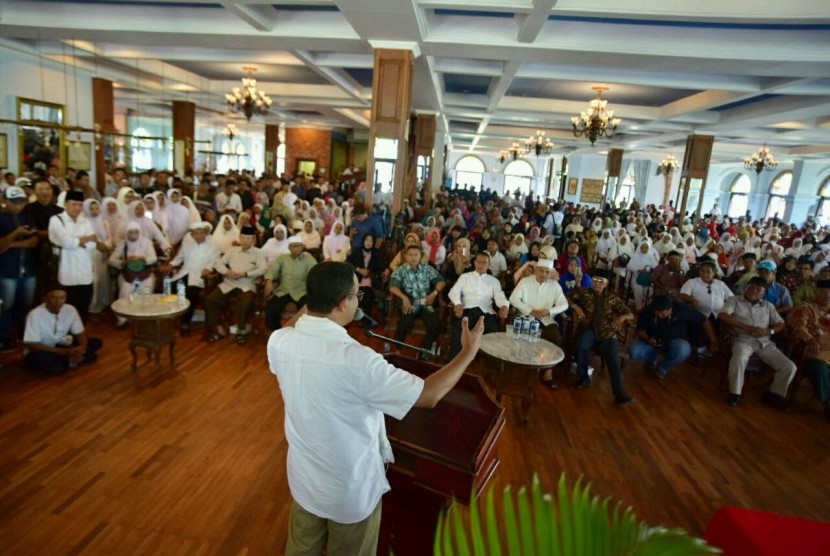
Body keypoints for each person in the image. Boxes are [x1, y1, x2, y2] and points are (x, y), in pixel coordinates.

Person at [267, 261, 484, 556]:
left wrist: (317, 299)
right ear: (343, 303)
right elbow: (429, 394)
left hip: (305, 482)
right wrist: (467, 353)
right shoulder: (358, 361)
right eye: (356, 296)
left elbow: (293, 326)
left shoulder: (279, 342)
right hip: (349, 492)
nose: (359, 302)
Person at [717, 277, 796, 409]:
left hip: (764, 342)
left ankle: (774, 395)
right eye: (751, 287)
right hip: (742, 339)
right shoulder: (734, 300)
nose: (754, 291)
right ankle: (735, 393)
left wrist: (769, 331)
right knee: (740, 356)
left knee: (789, 366)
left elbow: (780, 323)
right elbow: (723, 315)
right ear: (746, 288)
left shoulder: (768, 305)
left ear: (763, 293)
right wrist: (745, 327)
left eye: (758, 289)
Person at [567, 275, 636, 406]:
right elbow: (565, 296)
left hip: (607, 332)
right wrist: (576, 306)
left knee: (612, 357)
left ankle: (619, 394)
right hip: (588, 329)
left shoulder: (612, 298)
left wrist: (622, 317)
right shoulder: (584, 292)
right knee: (582, 346)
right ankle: (583, 378)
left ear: (606, 284)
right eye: (595, 280)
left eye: (601, 281)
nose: (597, 283)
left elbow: (630, 313)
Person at [509, 258, 569, 387]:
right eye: (541, 271)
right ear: (536, 270)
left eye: (547, 272)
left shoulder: (554, 285)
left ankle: (547, 372)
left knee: (555, 338)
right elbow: (513, 299)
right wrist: (530, 310)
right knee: (525, 339)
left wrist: (549, 311)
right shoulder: (525, 281)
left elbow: (564, 304)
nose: (544, 275)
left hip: (546, 319)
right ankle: (525, 369)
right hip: (526, 318)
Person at [204, 226, 268, 344]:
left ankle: (240, 331)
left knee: (244, 303)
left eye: (248, 238)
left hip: (247, 284)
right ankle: (218, 328)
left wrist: (246, 273)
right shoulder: (232, 250)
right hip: (229, 283)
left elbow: (263, 269)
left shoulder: (259, 253)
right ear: (239, 238)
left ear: (253, 239)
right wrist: (227, 272)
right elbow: (218, 263)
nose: (244, 241)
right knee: (210, 300)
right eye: (242, 238)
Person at [628, 295, 717, 379]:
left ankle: (663, 368)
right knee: (634, 351)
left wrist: (713, 341)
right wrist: (647, 339)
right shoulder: (647, 310)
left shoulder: (682, 309)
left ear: (670, 309)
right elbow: (641, 330)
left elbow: (704, 321)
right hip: (652, 341)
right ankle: (652, 358)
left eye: (663, 314)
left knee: (684, 350)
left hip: (675, 340)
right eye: (657, 314)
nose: (660, 316)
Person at [23, 284, 102, 374]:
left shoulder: (70, 309)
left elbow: (80, 334)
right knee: (44, 361)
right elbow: (32, 345)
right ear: (44, 299)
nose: (58, 301)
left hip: (62, 345)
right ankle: (72, 360)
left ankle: (70, 360)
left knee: (96, 342)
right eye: (53, 297)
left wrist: (82, 348)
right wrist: (64, 352)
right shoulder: (34, 315)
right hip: (43, 350)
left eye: (62, 298)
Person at [447, 251, 509, 359]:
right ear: (474, 263)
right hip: (467, 310)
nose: (481, 265)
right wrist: (457, 304)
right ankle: (451, 364)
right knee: (459, 331)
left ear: (488, 264)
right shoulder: (465, 277)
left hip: (486, 312)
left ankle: (490, 368)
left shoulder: (494, 281)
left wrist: (504, 306)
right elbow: (453, 292)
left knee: (493, 333)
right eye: (478, 262)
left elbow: (500, 296)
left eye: (484, 262)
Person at [48, 190, 98, 322]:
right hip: (66, 272)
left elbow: (93, 244)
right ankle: (67, 338)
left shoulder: (85, 221)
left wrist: (76, 241)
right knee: (66, 309)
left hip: (84, 273)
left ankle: (80, 338)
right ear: (65, 204)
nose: (77, 208)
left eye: (79, 205)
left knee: (83, 309)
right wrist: (84, 240)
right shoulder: (56, 220)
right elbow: (65, 241)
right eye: (73, 204)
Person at [389, 245, 446, 355]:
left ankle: (423, 352)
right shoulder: (401, 270)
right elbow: (392, 286)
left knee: (435, 324)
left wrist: (434, 293)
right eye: (410, 255)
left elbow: (441, 281)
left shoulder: (426, 268)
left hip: (426, 303)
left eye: (416, 255)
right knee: (404, 323)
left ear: (420, 256)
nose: (413, 257)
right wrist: (404, 297)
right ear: (405, 256)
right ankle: (397, 351)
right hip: (410, 303)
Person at [0, 186, 38, 351]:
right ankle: (5, 338)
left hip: (28, 268)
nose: (18, 205)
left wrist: (12, 244)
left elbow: (34, 242)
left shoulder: (28, 217)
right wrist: (16, 233)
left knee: (26, 303)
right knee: (6, 306)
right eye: (14, 202)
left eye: (21, 201)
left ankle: (25, 334)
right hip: (7, 269)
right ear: (4, 201)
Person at [165, 221, 220, 335]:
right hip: (185, 273)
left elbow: (215, 261)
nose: (199, 236)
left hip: (199, 276)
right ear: (192, 235)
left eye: (201, 233)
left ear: (205, 233)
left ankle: (186, 323)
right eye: (196, 233)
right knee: (169, 288)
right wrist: (171, 265)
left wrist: (208, 269)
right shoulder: (187, 245)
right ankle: (168, 318)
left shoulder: (213, 246)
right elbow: (179, 258)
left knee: (190, 293)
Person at [787, 279, 830, 419]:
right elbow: (798, 327)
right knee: (820, 368)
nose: (827, 295)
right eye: (823, 291)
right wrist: (810, 339)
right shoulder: (806, 307)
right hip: (813, 350)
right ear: (815, 292)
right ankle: (827, 402)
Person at [264, 235, 317, 331]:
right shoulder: (282, 258)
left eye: (298, 245)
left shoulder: (308, 259)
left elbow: (315, 273)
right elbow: (273, 270)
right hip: (284, 290)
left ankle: (302, 333)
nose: (296, 248)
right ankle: (277, 333)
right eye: (294, 246)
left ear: (302, 246)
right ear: (289, 248)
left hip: (302, 291)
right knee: (271, 309)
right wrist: (269, 280)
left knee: (307, 312)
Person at [349, 233, 384, 316]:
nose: (368, 242)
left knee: (368, 293)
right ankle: (361, 317)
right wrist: (358, 269)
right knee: (365, 293)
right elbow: (348, 263)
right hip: (356, 280)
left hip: (370, 281)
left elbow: (381, 266)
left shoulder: (377, 252)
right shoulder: (356, 251)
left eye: (371, 240)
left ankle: (364, 317)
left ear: (374, 242)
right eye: (367, 240)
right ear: (363, 241)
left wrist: (385, 270)